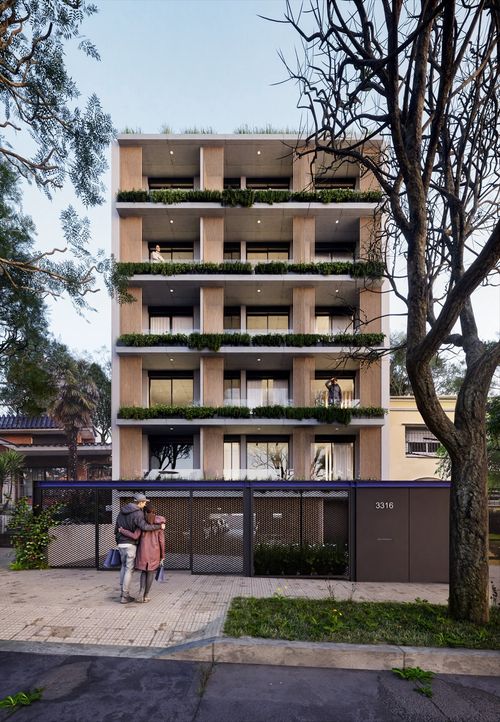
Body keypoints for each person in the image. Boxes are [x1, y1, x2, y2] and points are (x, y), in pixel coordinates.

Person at [114, 493, 165, 604]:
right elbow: (144, 527)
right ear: (140, 502)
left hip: (121, 544)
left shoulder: (121, 512)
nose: (145, 504)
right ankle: (125, 596)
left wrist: (119, 540)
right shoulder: (138, 513)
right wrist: (159, 526)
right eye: (144, 502)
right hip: (131, 544)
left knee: (123, 567)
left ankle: (123, 593)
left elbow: (116, 528)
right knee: (129, 569)